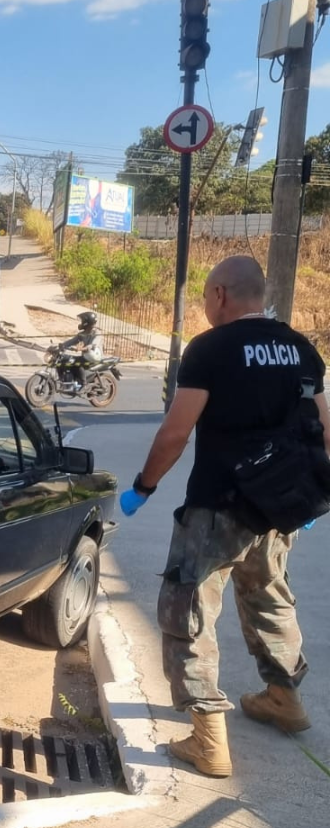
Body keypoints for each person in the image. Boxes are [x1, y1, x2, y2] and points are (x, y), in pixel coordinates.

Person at [119, 254, 330, 779]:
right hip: (280, 508)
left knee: (188, 605)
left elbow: (175, 433)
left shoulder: (210, 349)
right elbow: (325, 430)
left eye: (206, 298)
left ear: (220, 296)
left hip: (218, 506)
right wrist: (313, 495)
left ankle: (207, 736)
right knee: (269, 596)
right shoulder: (302, 349)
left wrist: (143, 487)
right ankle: (284, 697)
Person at [55, 310, 103, 390]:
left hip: (94, 357)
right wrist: (62, 345)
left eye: (83, 321)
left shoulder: (97, 333)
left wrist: (80, 348)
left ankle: (84, 384)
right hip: (86, 356)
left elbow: (93, 345)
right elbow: (72, 341)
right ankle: (67, 382)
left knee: (77, 363)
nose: (81, 323)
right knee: (65, 360)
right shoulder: (82, 333)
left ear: (87, 322)